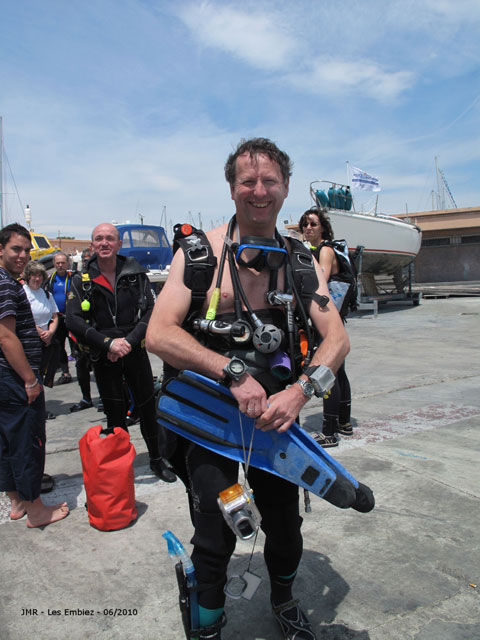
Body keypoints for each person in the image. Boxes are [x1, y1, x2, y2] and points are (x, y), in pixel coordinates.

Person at [146, 138, 349, 639]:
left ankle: (283, 600)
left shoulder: (300, 258)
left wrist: (301, 391)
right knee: (215, 534)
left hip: (276, 422)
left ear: (285, 188)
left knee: (284, 527)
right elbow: (159, 333)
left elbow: (337, 339)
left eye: (270, 182)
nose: (259, 191)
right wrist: (233, 374)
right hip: (211, 421)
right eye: (247, 181)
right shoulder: (197, 254)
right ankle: (209, 622)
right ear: (232, 187)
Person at [66, 223, 176, 483]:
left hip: (134, 351)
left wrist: (127, 341)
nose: (104, 243)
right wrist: (108, 344)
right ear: (92, 245)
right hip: (104, 356)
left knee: (148, 409)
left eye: (110, 239)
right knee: (115, 414)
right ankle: (120, 464)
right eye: (98, 239)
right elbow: (73, 320)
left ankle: (157, 459)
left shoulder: (136, 274)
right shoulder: (81, 279)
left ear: (119, 244)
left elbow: (152, 311)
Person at [0, 223, 69, 527]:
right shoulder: (5, 285)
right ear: (0, 249)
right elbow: (6, 338)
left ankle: (17, 502)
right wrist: (29, 379)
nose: (23, 255)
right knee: (28, 441)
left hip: (6, 379)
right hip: (16, 379)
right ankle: (36, 510)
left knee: (8, 441)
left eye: (27, 250)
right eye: (16, 248)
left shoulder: (7, 281)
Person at [299, 207, 354, 447]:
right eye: (305, 225)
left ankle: (329, 432)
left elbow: (319, 278)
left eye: (313, 224)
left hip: (326, 317)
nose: (308, 228)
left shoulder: (325, 250)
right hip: (335, 316)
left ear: (323, 227)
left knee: (326, 371)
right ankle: (344, 422)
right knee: (339, 370)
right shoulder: (328, 248)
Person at [22, 261, 60, 422]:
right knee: (32, 375)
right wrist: (40, 332)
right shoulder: (22, 293)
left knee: (41, 375)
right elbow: (25, 317)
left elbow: (55, 315)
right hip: (29, 340)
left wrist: (50, 332)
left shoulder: (46, 294)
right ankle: (32, 409)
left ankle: (38, 408)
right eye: (33, 275)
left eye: (39, 275)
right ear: (27, 276)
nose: (37, 279)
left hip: (45, 341)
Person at [68, 248, 96, 412]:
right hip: (81, 332)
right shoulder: (77, 279)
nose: (87, 262)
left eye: (90, 259)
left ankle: (104, 399)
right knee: (81, 366)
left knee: (101, 368)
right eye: (84, 260)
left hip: (98, 331)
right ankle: (86, 397)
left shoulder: (101, 278)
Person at [45, 251, 73, 385]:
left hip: (72, 318)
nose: (60, 265)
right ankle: (65, 372)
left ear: (67, 263)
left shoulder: (74, 277)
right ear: (54, 264)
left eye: (63, 262)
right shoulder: (50, 279)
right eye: (58, 263)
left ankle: (82, 369)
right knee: (59, 346)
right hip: (58, 318)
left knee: (76, 346)